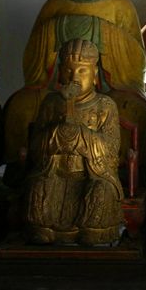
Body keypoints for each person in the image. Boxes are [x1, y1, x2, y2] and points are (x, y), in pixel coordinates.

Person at [3, 0, 146, 188]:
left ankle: (127, 172)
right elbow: (33, 60)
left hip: (108, 86)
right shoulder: (55, 5)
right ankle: (24, 168)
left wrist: (103, 32)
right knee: (22, 104)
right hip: (58, 84)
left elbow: (135, 61)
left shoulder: (120, 6)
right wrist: (55, 29)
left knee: (133, 108)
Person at [24, 39, 123, 246]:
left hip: (91, 175)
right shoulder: (51, 103)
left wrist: (79, 135)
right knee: (37, 188)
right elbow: (35, 146)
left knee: (101, 192)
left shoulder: (105, 106)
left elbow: (112, 149)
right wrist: (57, 133)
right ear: (60, 73)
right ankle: (43, 229)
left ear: (95, 74)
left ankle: (93, 231)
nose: (74, 77)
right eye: (69, 71)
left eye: (82, 71)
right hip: (54, 173)